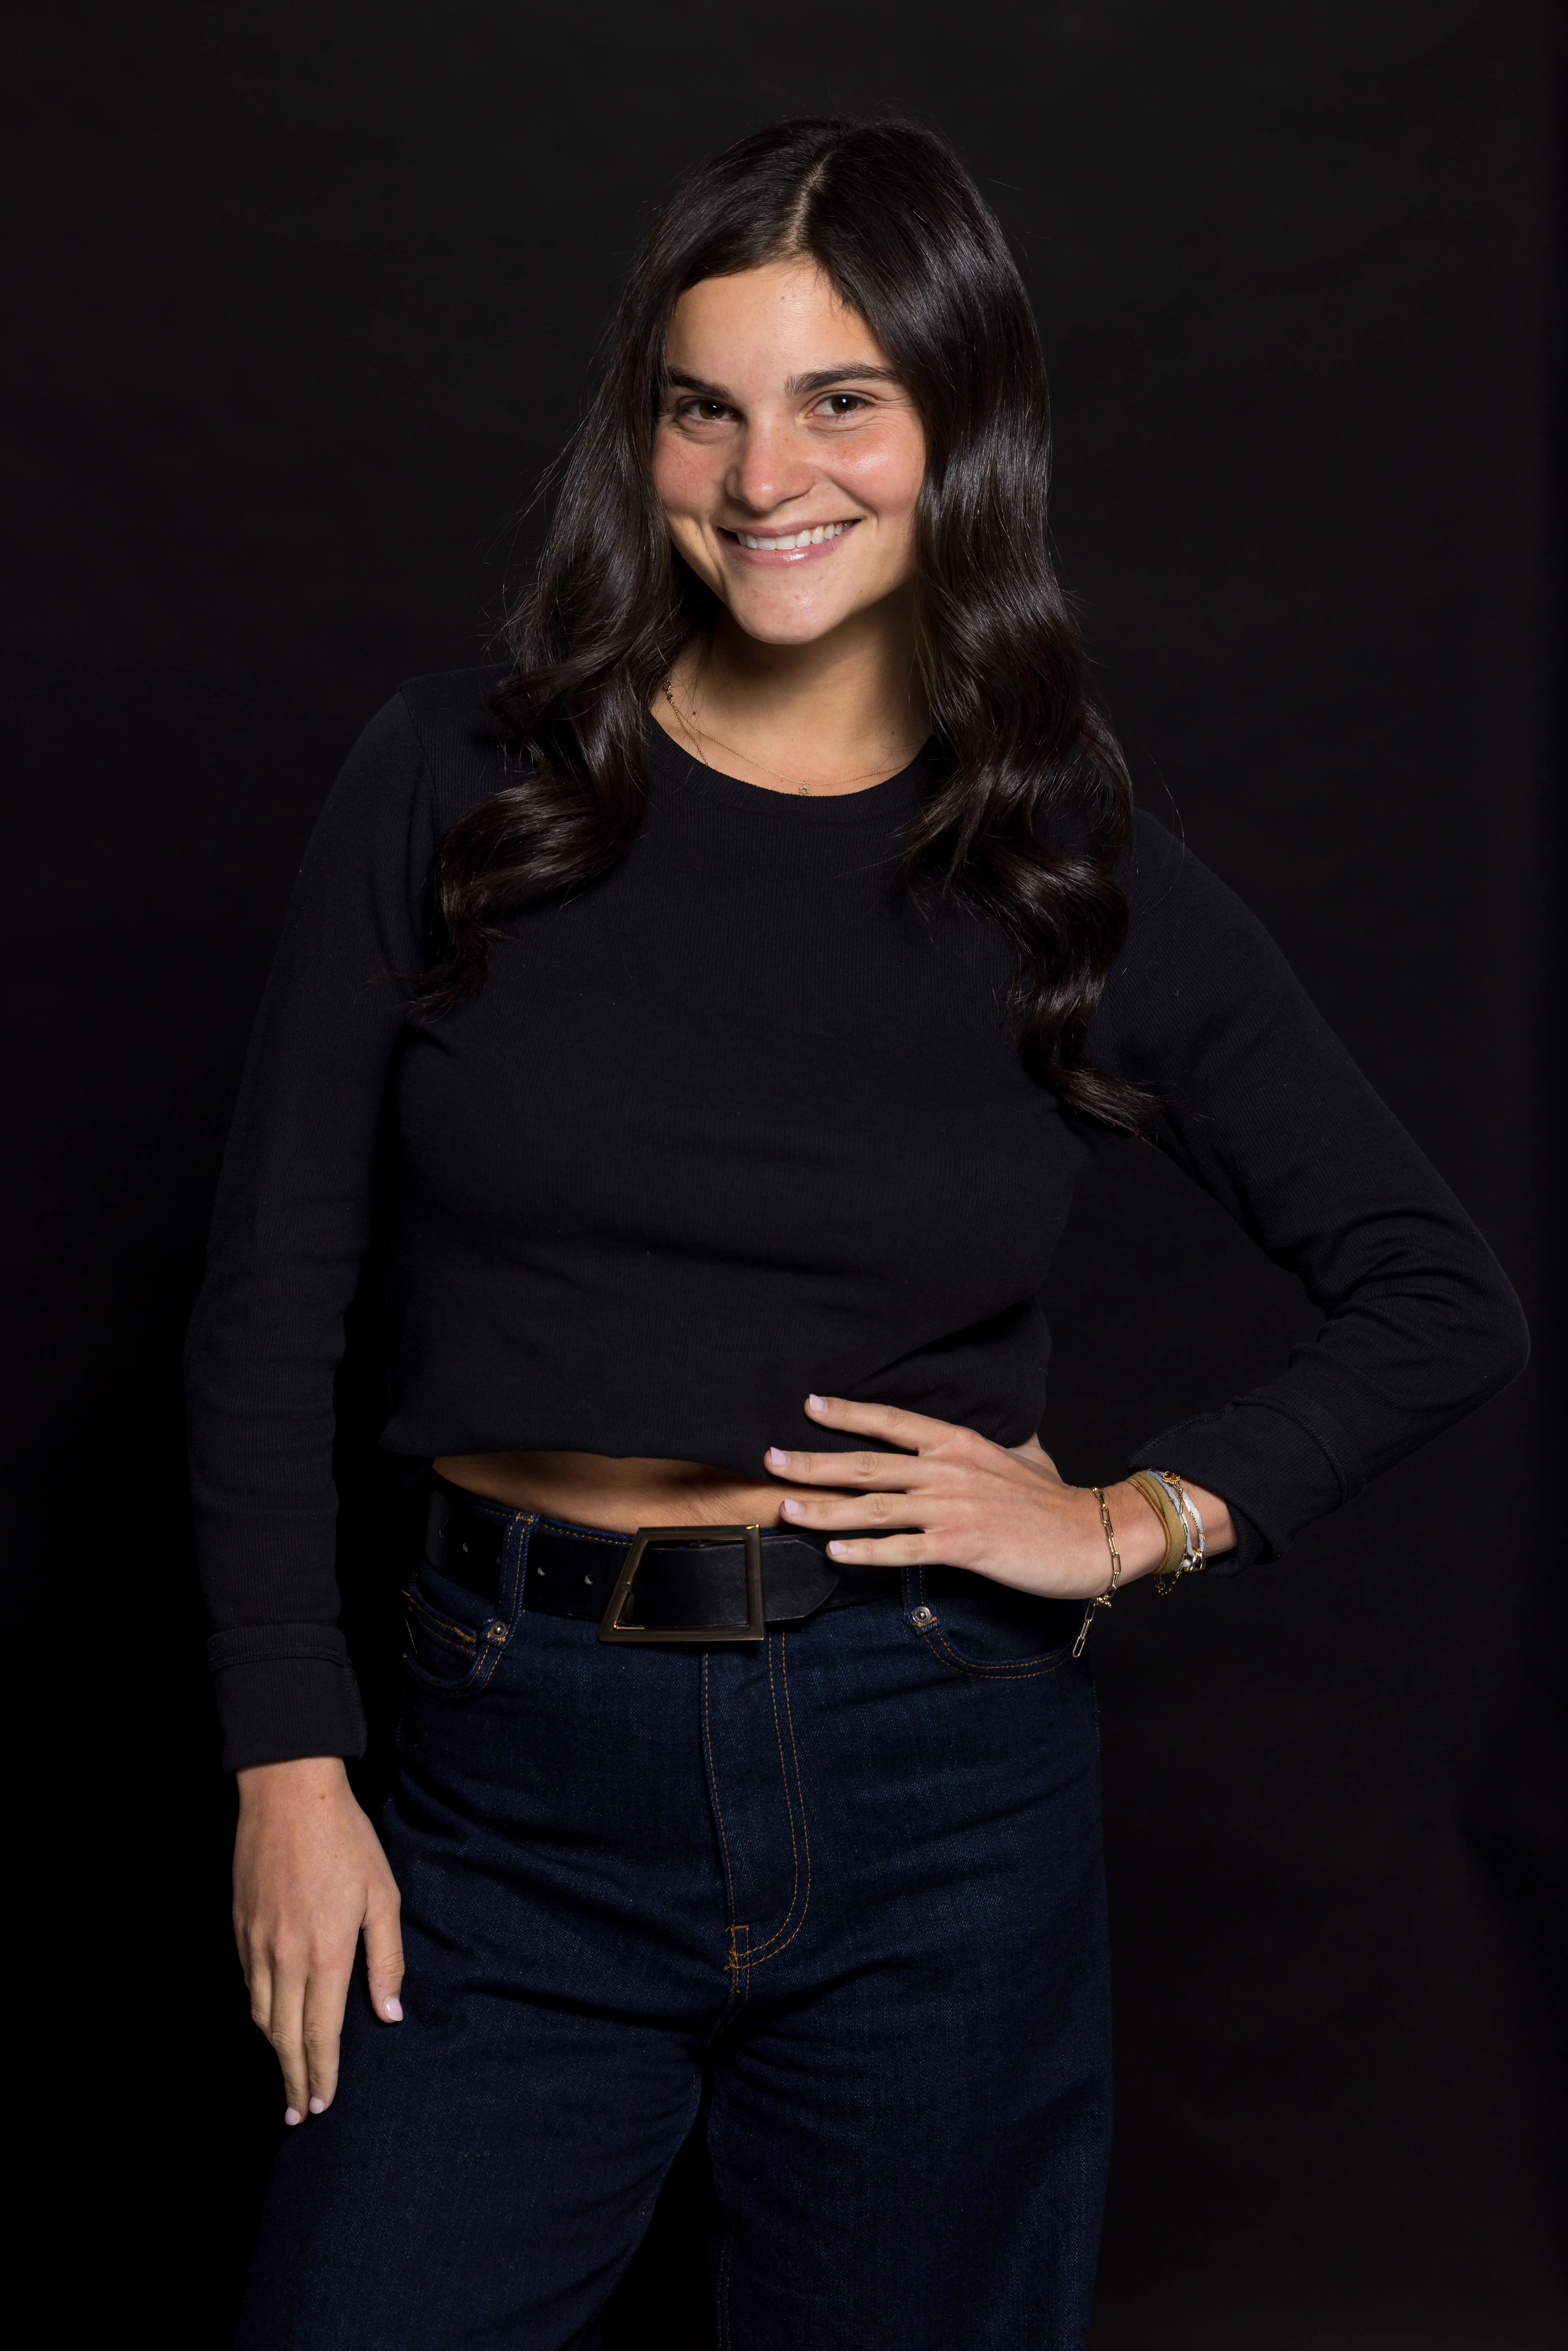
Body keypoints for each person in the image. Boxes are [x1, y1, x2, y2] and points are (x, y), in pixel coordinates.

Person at [188, 117, 1528, 2351]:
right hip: (499, 1785)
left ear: (954, 428)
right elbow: (265, 1308)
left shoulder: (1056, 863)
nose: (757, 473)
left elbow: (1434, 1292)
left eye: (839, 400)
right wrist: (286, 1757)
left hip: (929, 1779)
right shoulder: (451, 784)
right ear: (642, 436)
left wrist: (1131, 1521)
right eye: (701, 404)